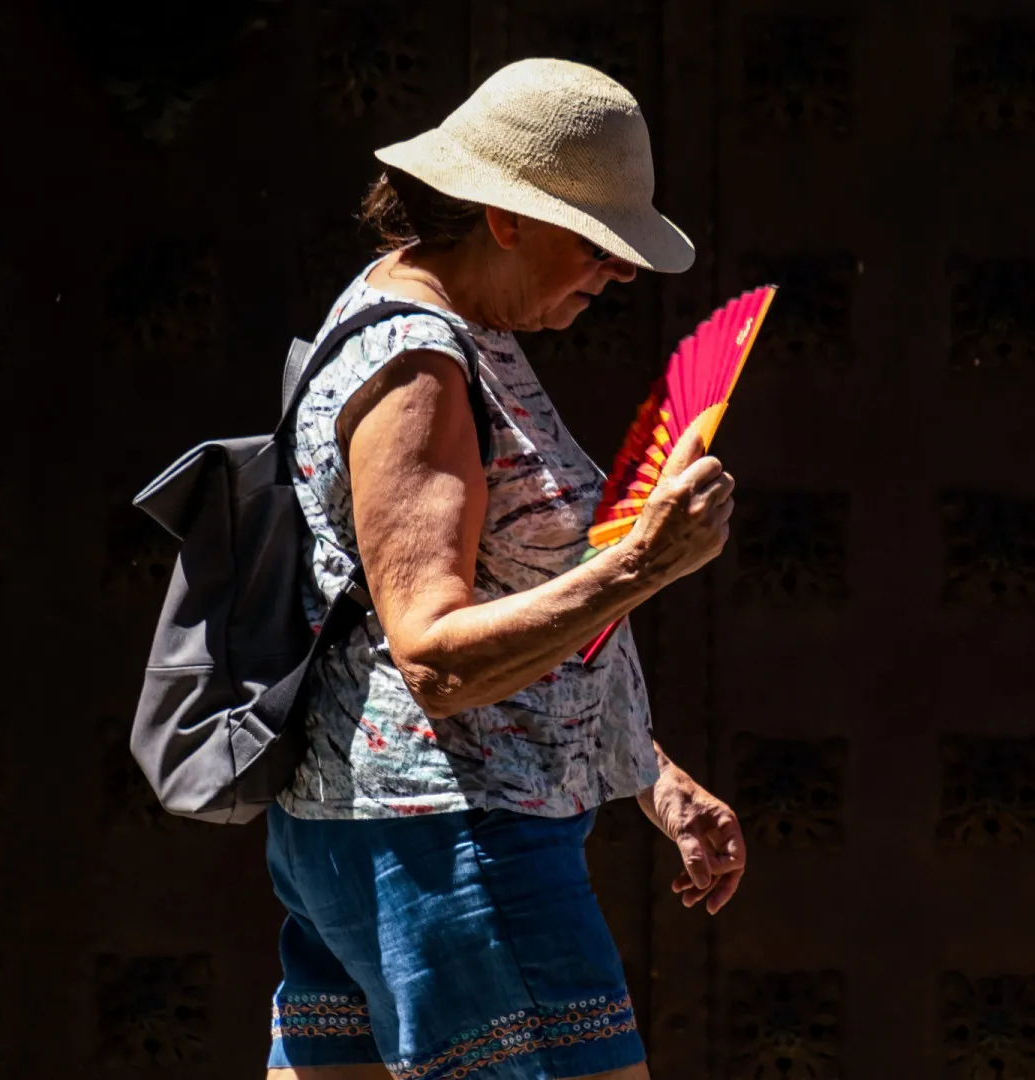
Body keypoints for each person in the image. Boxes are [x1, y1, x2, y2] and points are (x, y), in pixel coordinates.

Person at [264, 59, 745, 1080]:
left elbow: (503, 597)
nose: (621, 274)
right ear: (505, 218)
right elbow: (433, 656)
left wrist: (650, 774)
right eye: (597, 242)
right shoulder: (419, 364)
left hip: (379, 839)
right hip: (454, 847)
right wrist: (643, 565)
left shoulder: (453, 328)